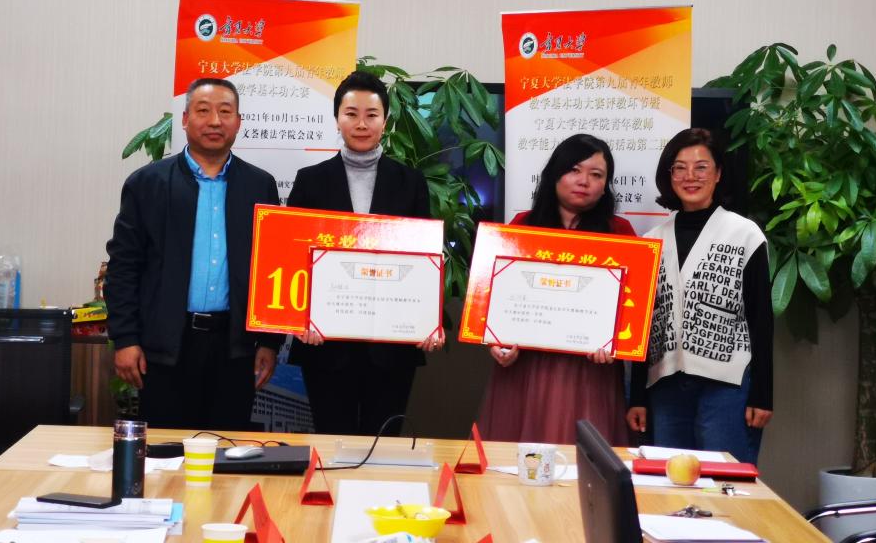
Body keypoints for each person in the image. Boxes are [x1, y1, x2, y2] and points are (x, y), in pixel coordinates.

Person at [105, 77, 283, 431]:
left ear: (238, 122)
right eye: (203, 111)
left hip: (235, 350)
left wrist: (270, 342)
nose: (215, 121)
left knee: (226, 449)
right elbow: (123, 267)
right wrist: (125, 339)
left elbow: (272, 269)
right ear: (185, 119)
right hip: (166, 348)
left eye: (225, 112)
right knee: (166, 450)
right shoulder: (147, 183)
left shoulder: (259, 185)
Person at [286, 70, 443, 436]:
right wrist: (300, 317)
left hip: (392, 347)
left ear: (385, 121)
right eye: (351, 113)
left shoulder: (410, 182)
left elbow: (424, 259)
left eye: (371, 115)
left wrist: (426, 321)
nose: (361, 124)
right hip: (324, 344)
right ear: (337, 118)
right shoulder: (310, 180)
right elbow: (294, 257)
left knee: (383, 444)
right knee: (332, 442)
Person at [626, 128, 772, 464]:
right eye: (680, 168)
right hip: (665, 386)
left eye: (701, 167)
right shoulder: (652, 240)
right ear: (669, 176)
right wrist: (637, 398)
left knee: (723, 479)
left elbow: (761, 319)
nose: (690, 176)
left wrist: (763, 395)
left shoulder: (744, 234)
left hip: (727, 385)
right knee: (671, 479)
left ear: (718, 173)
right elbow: (642, 327)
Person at [477, 134, 635, 445]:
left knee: (582, 461)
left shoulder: (620, 234)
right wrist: (496, 342)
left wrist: (617, 342)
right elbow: (494, 301)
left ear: (606, 186)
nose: (584, 181)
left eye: (596, 174)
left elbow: (631, 309)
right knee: (517, 460)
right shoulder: (523, 227)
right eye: (574, 170)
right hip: (525, 367)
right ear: (555, 174)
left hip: (590, 372)